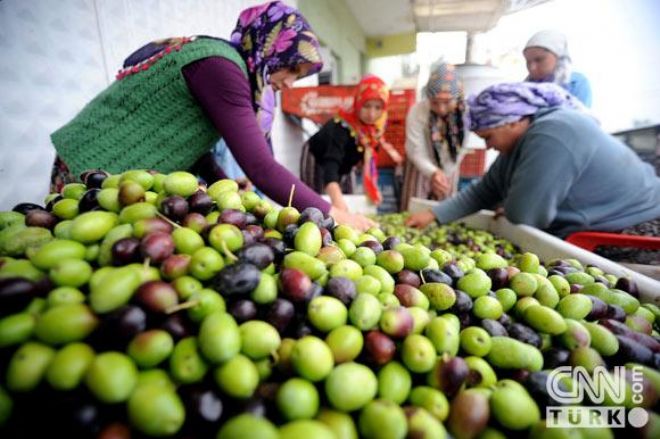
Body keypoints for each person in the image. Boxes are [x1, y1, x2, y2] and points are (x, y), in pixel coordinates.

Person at [50, 1, 374, 230]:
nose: (289, 83)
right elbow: (260, 166)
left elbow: (195, 143)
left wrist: (226, 188)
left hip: (119, 176)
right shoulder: (222, 68)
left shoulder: (231, 71)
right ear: (270, 45)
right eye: (291, 68)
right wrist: (333, 213)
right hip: (91, 162)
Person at [406, 82, 660, 238]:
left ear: (513, 122)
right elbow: (485, 190)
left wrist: (517, 204)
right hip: (597, 227)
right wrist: (434, 215)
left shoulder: (552, 133)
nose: (488, 146)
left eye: (489, 137)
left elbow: (525, 214)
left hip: (633, 227)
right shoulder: (519, 144)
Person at [301, 74, 402, 211]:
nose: (372, 114)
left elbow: (369, 161)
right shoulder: (341, 127)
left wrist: (373, 189)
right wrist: (337, 203)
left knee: (348, 194)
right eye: (366, 106)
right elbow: (330, 167)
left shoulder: (374, 129)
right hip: (319, 158)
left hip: (345, 161)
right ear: (358, 102)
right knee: (318, 203)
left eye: (378, 108)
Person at [399, 61, 468, 211]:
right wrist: (432, 172)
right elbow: (415, 147)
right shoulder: (417, 111)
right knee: (413, 209)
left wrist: (443, 175)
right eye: (435, 102)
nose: (441, 108)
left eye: (447, 102)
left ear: (457, 98)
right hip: (419, 166)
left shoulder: (465, 115)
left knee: (444, 210)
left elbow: (461, 148)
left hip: (450, 166)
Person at [523, 29, 593, 107]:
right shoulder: (523, 89)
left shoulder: (577, 83)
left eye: (539, 60)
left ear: (559, 57)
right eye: (528, 62)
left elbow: (579, 117)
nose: (532, 68)